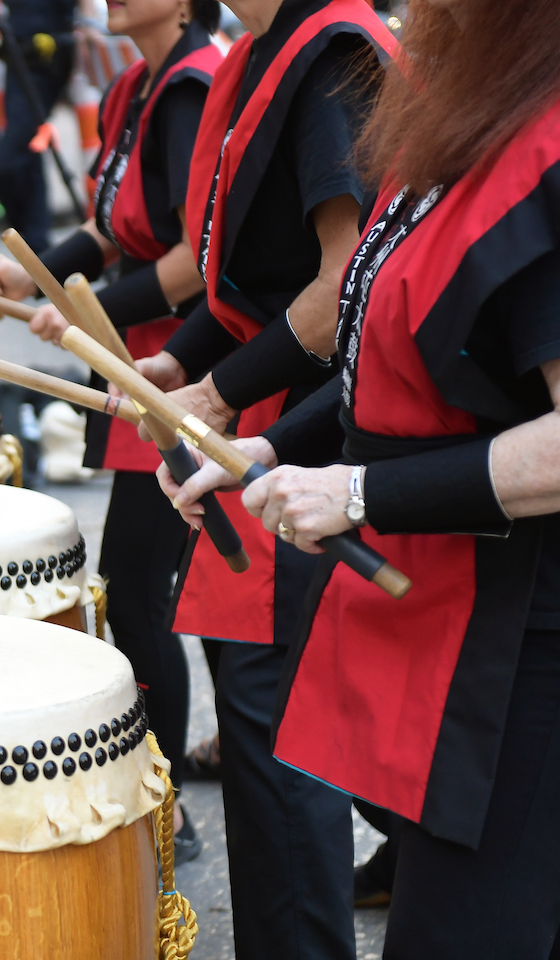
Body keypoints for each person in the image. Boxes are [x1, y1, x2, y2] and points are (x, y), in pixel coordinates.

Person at [165, 3, 560, 955]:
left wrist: (357, 493)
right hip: (449, 618)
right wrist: (276, 445)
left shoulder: (543, 147)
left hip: (525, 649)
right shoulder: (467, 125)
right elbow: (379, 343)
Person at [124, 0, 393, 956]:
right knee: (263, 716)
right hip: (279, 424)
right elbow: (258, 274)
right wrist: (190, 362)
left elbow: (346, 282)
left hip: (314, 435)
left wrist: (220, 391)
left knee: (276, 732)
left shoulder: (331, 60)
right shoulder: (272, 54)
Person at [0, 0, 221, 864]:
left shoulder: (191, 87)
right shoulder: (131, 88)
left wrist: (83, 310)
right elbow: (114, 230)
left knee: (147, 587)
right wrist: (32, 268)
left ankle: (166, 805)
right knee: (146, 584)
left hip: (185, 373)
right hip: (130, 361)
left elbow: (198, 256)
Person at [0, 0, 75, 251]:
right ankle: (37, 247)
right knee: (28, 155)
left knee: (8, 159)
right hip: (15, 54)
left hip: (45, 55)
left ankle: (34, 246)